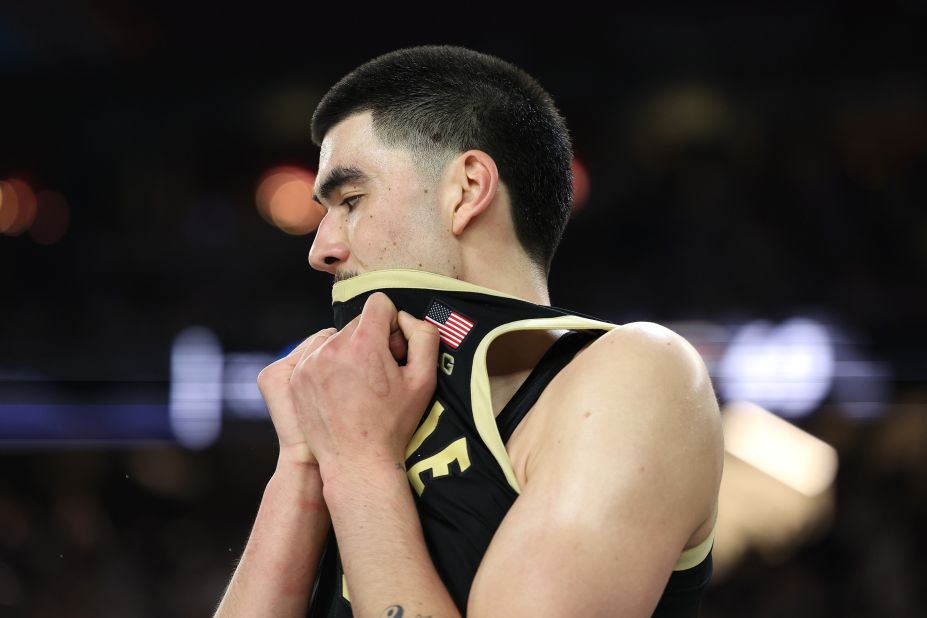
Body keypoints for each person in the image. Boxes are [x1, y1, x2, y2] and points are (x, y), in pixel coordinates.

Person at [214, 45, 723, 618]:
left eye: (351, 200)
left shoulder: (637, 374)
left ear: (467, 190)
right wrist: (304, 461)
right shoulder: (349, 421)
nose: (320, 250)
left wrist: (359, 465)